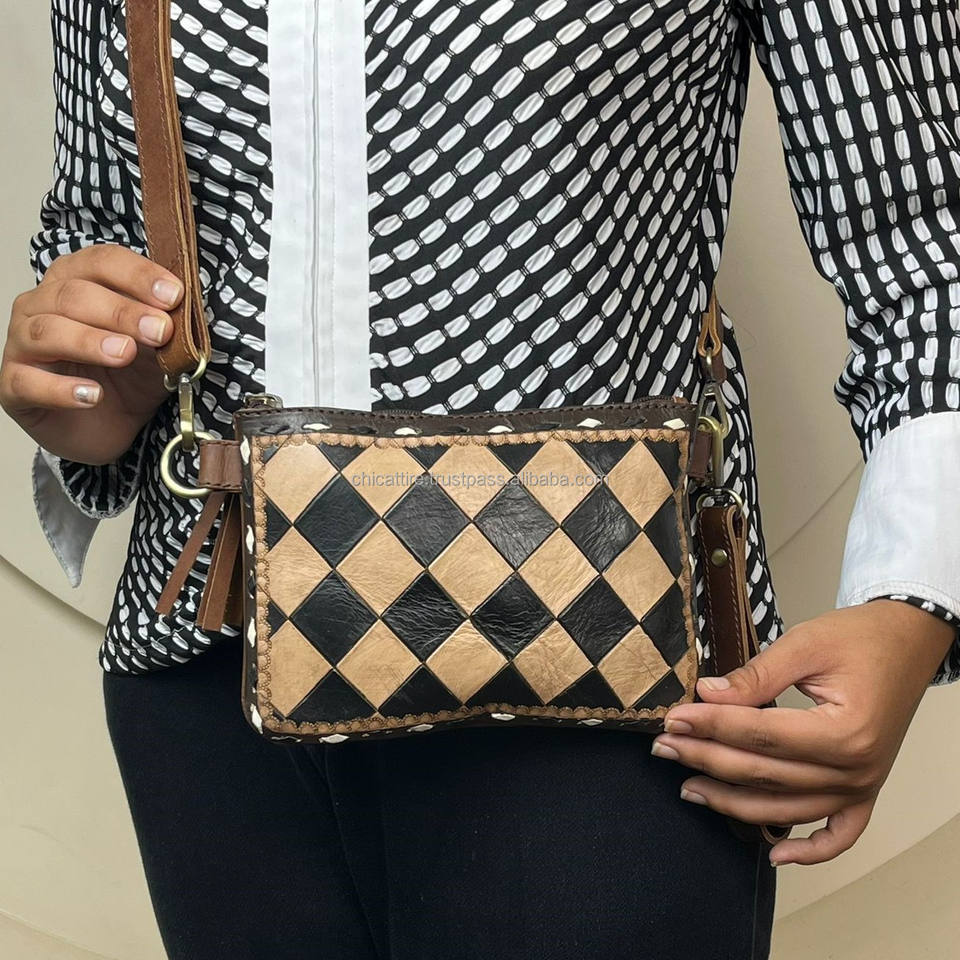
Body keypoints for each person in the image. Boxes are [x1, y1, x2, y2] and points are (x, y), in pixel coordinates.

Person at [3, 1, 959, 957]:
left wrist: (911, 602)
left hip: (608, 662)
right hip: (213, 682)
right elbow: (97, 230)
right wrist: (83, 383)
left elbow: (929, 245)